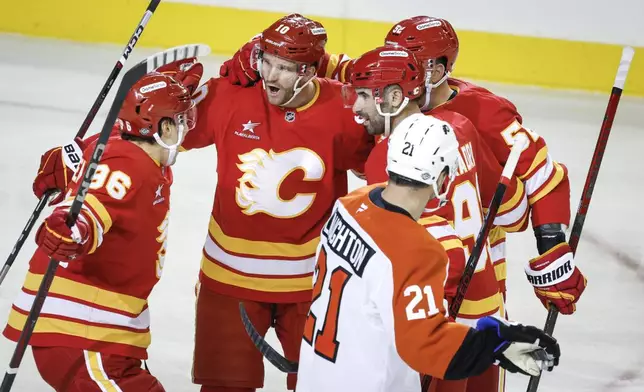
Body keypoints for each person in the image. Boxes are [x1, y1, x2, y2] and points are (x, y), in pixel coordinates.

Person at [296, 112, 560, 392]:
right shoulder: (418, 252)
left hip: (316, 376)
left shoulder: (348, 205)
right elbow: (425, 346)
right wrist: (495, 344)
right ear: (443, 179)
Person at [182, 14, 373, 392]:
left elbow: (384, 171)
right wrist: (83, 156)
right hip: (229, 279)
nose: (270, 75)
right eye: (266, 60)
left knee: (320, 385)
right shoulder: (229, 94)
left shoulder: (343, 110)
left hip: (313, 284)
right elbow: (154, 133)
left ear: (310, 69)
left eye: (285, 68)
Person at [345, 44, 533, 392]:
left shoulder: (386, 160)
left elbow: (395, 255)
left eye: (363, 95)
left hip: (434, 320)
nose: (355, 107)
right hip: (487, 311)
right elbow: (514, 212)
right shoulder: (460, 126)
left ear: (394, 96)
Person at [3, 71, 198, 391]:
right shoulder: (130, 163)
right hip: (83, 332)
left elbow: (87, 163)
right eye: (180, 121)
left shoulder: (129, 149)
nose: (186, 128)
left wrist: (69, 159)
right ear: (163, 128)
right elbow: (93, 206)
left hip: (103, 333)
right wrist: (73, 228)